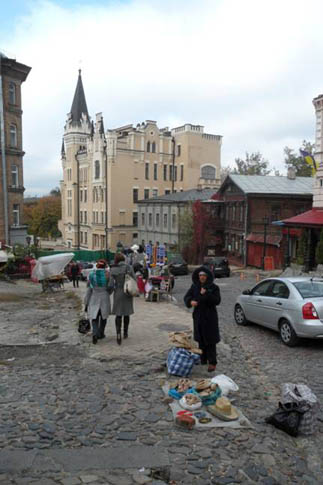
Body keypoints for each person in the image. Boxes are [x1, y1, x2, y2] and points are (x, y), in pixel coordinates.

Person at [184, 266, 221, 372]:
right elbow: (187, 297)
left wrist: (207, 294)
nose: (202, 277)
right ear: (198, 276)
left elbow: (217, 301)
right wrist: (190, 302)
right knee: (200, 339)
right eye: (200, 275)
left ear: (207, 276)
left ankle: (212, 362)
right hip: (198, 316)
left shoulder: (214, 287)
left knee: (211, 340)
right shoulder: (194, 286)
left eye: (204, 275)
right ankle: (203, 359)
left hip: (210, 317)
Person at [84, 259, 113, 345]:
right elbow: (111, 286)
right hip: (104, 296)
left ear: (97, 266)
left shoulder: (91, 274)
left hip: (94, 296)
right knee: (104, 317)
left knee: (94, 317)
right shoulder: (108, 274)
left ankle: (95, 333)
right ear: (105, 266)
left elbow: (88, 287)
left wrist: (86, 301)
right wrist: (107, 293)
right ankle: (101, 333)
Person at [110, 252, 136, 345]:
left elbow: (110, 284)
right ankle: (125, 332)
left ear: (116, 260)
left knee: (118, 314)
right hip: (127, 292)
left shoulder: (113, 269)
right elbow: (135, 279)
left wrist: (109, 292)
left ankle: (118, 333)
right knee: (126, 313)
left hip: (118, 292)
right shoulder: (129, 267)